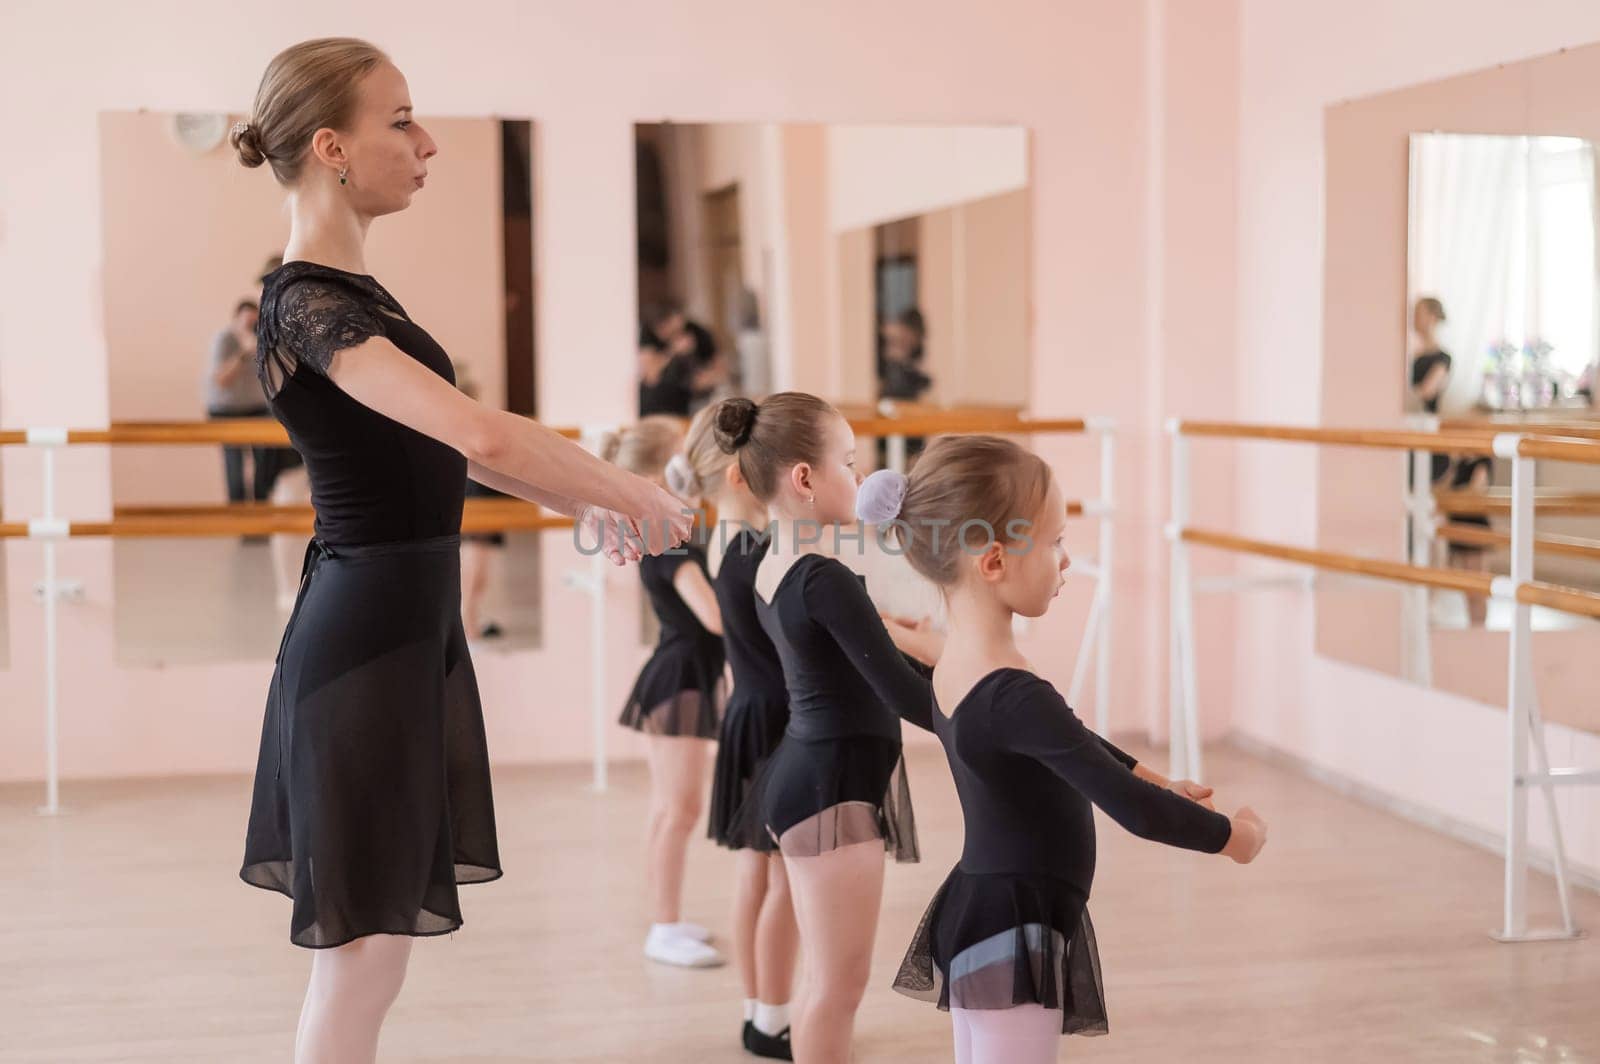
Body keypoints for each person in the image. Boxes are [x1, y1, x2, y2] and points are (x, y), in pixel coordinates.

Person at [230, 38, 690, 1064]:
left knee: (380, 948)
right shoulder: (307, 303)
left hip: (401, 629)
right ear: (331, 147)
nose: (426, 142)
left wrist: (594, 502)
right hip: (362, 640)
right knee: (358, 953)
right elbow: (483, 431)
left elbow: (458, 455)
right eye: (401, 121)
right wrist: (623, 487)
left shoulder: (358, 298)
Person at [854, 438, 1267, 1064]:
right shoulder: (1013, 692)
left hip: (985, 909)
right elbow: (1135, 811)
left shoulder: (963, 662)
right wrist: (1234, 839)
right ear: (993, 560)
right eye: (1053, 543)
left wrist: (1157, 776)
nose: (1066, 561)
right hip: (1015, 930)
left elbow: (1074, 745)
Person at [715, 392, 936, 1064]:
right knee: (836, 990)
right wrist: (998, 724)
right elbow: (903, 695)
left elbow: (867, 659)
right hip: (828, 791)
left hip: (814, 777)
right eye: (848, 461)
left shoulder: (782, 560)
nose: (861, 477)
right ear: (804, 478)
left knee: (831, 987)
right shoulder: (824, 577)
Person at [676, 404, 798, 1058]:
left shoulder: (721, 539)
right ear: (741, 477)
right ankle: (771, 1017)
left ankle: (762, 1009)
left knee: (760, 871)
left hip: (752, 711)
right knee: (780, 878)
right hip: (775, 717)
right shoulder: (757, 549)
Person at [607, 416, 729, 969]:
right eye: (683, 455)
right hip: (679, 681)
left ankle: (668, 918)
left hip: (683, 677)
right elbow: (714, 617)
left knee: (671, 810)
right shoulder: (668, 541)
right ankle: (663, 925)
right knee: (678, 811)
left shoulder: (668, 532)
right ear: (660, 470)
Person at [204, 299, 278, 504]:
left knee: (265, 465)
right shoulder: (225, 340)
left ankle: (262, 519)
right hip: (226, 411)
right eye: (247, 324)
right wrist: (243, 354)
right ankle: (240, 521)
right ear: (236, 321)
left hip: (257, 408)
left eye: (255, 324)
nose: (251, 328)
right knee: (234, 467)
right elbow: (221, 380)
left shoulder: (264, 340)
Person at [639, 301, 727, 417]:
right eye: (662, 328)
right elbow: (651, 377)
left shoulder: (699, 333)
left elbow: (721, 372)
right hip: (654, 404)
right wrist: (673, 351)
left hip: (689, 404)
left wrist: (705, 379)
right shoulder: (648, 335)